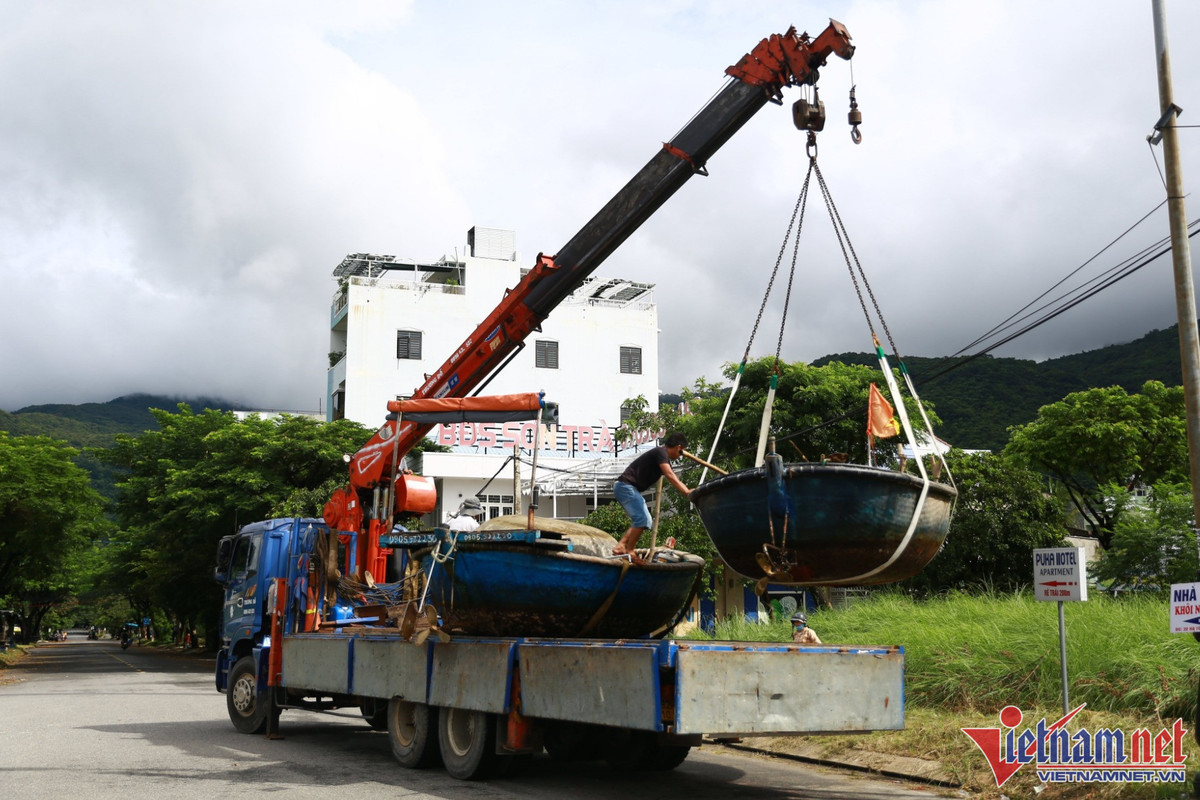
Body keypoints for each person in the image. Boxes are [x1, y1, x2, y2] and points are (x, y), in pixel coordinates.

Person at [612, 432, 692, 558]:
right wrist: (686, 491)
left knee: (646, 520)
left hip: (629, 488)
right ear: (678, 448)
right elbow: (670, 475)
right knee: (642, 518)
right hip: (625, 486)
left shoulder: (663, 457)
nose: (680, 456)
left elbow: (670, 473)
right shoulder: (660, 452)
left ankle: (622, 545)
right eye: (681, 452)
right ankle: (628, 549)